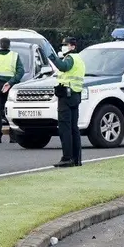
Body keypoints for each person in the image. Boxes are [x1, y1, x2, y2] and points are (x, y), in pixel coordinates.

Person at [47, 36, 84, 167]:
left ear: (73, 46)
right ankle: (76, 159)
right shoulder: (79, 59)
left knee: (65, 128)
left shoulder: (70, 58)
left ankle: (67, 158)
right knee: (74, 128)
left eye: (66, 44)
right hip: (75, 95)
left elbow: (63, 67)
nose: (63, 46)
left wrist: (53, 58)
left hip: (66, 97)